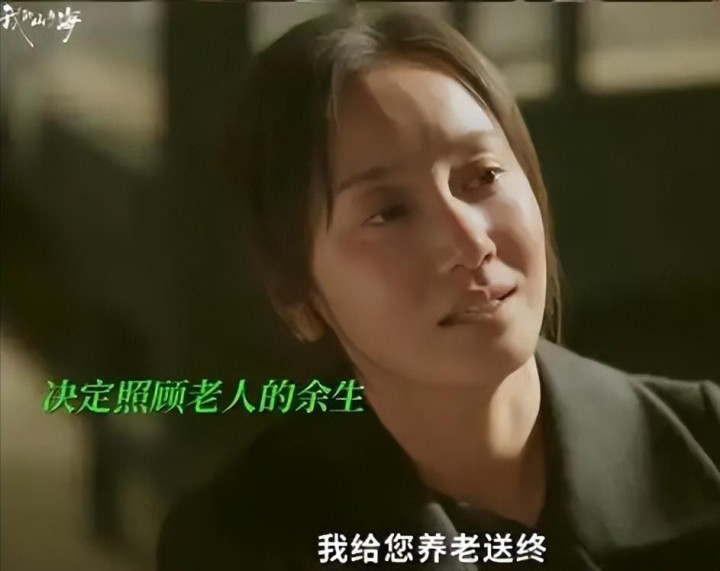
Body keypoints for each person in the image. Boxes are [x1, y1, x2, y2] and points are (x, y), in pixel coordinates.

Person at [156, 8, 720, 571]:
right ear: (299, 299)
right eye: (389, 211)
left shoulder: (705, 444)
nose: (470, 242)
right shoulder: (238, 544)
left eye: (483, 176)